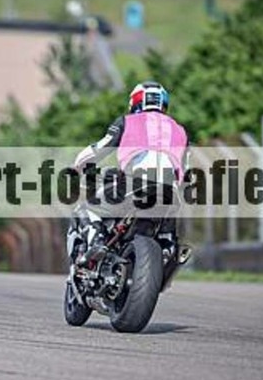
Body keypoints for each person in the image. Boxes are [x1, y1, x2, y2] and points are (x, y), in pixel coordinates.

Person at [72, 81, 189, 264]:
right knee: (168, 228)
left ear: (135, 102)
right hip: (169, 191)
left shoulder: (127, 122)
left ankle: (98, 241)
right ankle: (169, 247)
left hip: (134, 183)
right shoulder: (180, 131)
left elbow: (100, 148)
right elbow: (184, 169)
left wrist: (77, 165)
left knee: (86, 209)